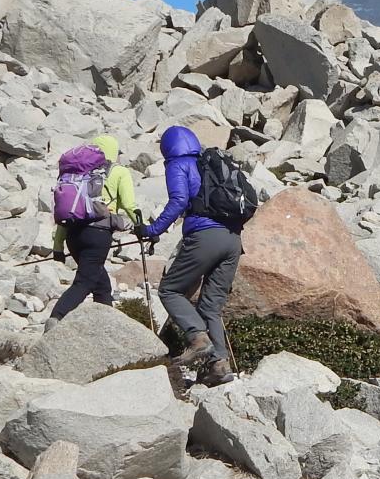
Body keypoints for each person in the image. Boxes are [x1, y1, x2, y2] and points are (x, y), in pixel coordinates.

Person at [140, 124, 239, 384]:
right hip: (233, 241)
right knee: (210, 307)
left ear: (168, 148)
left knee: (170, 290)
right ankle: (219, 367)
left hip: (204, 236)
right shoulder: (210, 164)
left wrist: (153, 229)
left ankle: (197, 338)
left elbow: (179, 201)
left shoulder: (178, 164)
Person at [49, 134, 142, 325]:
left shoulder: (78, 174)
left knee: (101, 285)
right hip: (97, 236)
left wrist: (58, 246)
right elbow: (129, 205)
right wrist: (145, 228)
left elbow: (66, 214)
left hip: (73, 236)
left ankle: (105, 326)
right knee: (85, 281)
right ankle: (56, 316)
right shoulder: (119, 172)